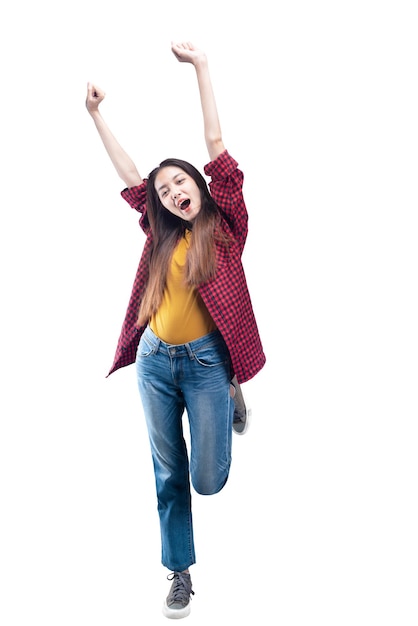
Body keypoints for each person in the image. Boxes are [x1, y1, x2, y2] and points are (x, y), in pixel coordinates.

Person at [85, 41, 266, 619]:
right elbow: (131, 175)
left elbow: (217, 147)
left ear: (198, 184)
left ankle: (234, 394)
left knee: (206, 480)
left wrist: (203, 67)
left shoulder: (227, 224)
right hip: (156, 360)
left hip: (211, 362)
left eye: (179, 184)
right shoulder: (158, 232)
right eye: (164, 193)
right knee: (167, 472)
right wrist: (95, 116)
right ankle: (180, 571)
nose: (171, 194)